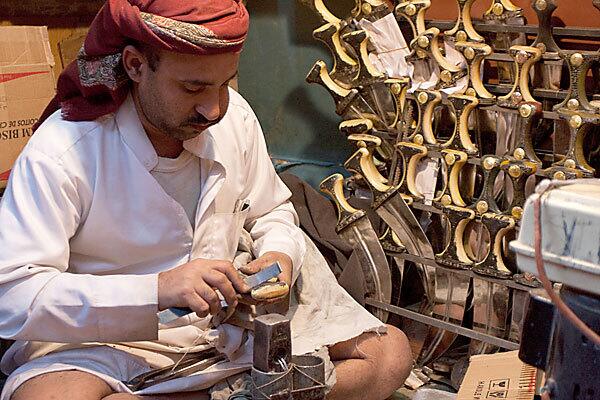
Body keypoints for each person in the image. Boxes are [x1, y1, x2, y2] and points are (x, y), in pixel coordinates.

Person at [0, 1, 413, 399]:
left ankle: (233, 394)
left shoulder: (235, 118)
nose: (214, 108)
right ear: (136, 65)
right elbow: (14, 297)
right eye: (193, 87)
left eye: (226, 83)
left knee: (389, 354)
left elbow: (272, 211)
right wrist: (157, 290)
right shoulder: (64, 151)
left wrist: (278, 256)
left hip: (232, 332)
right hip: (112, 345)